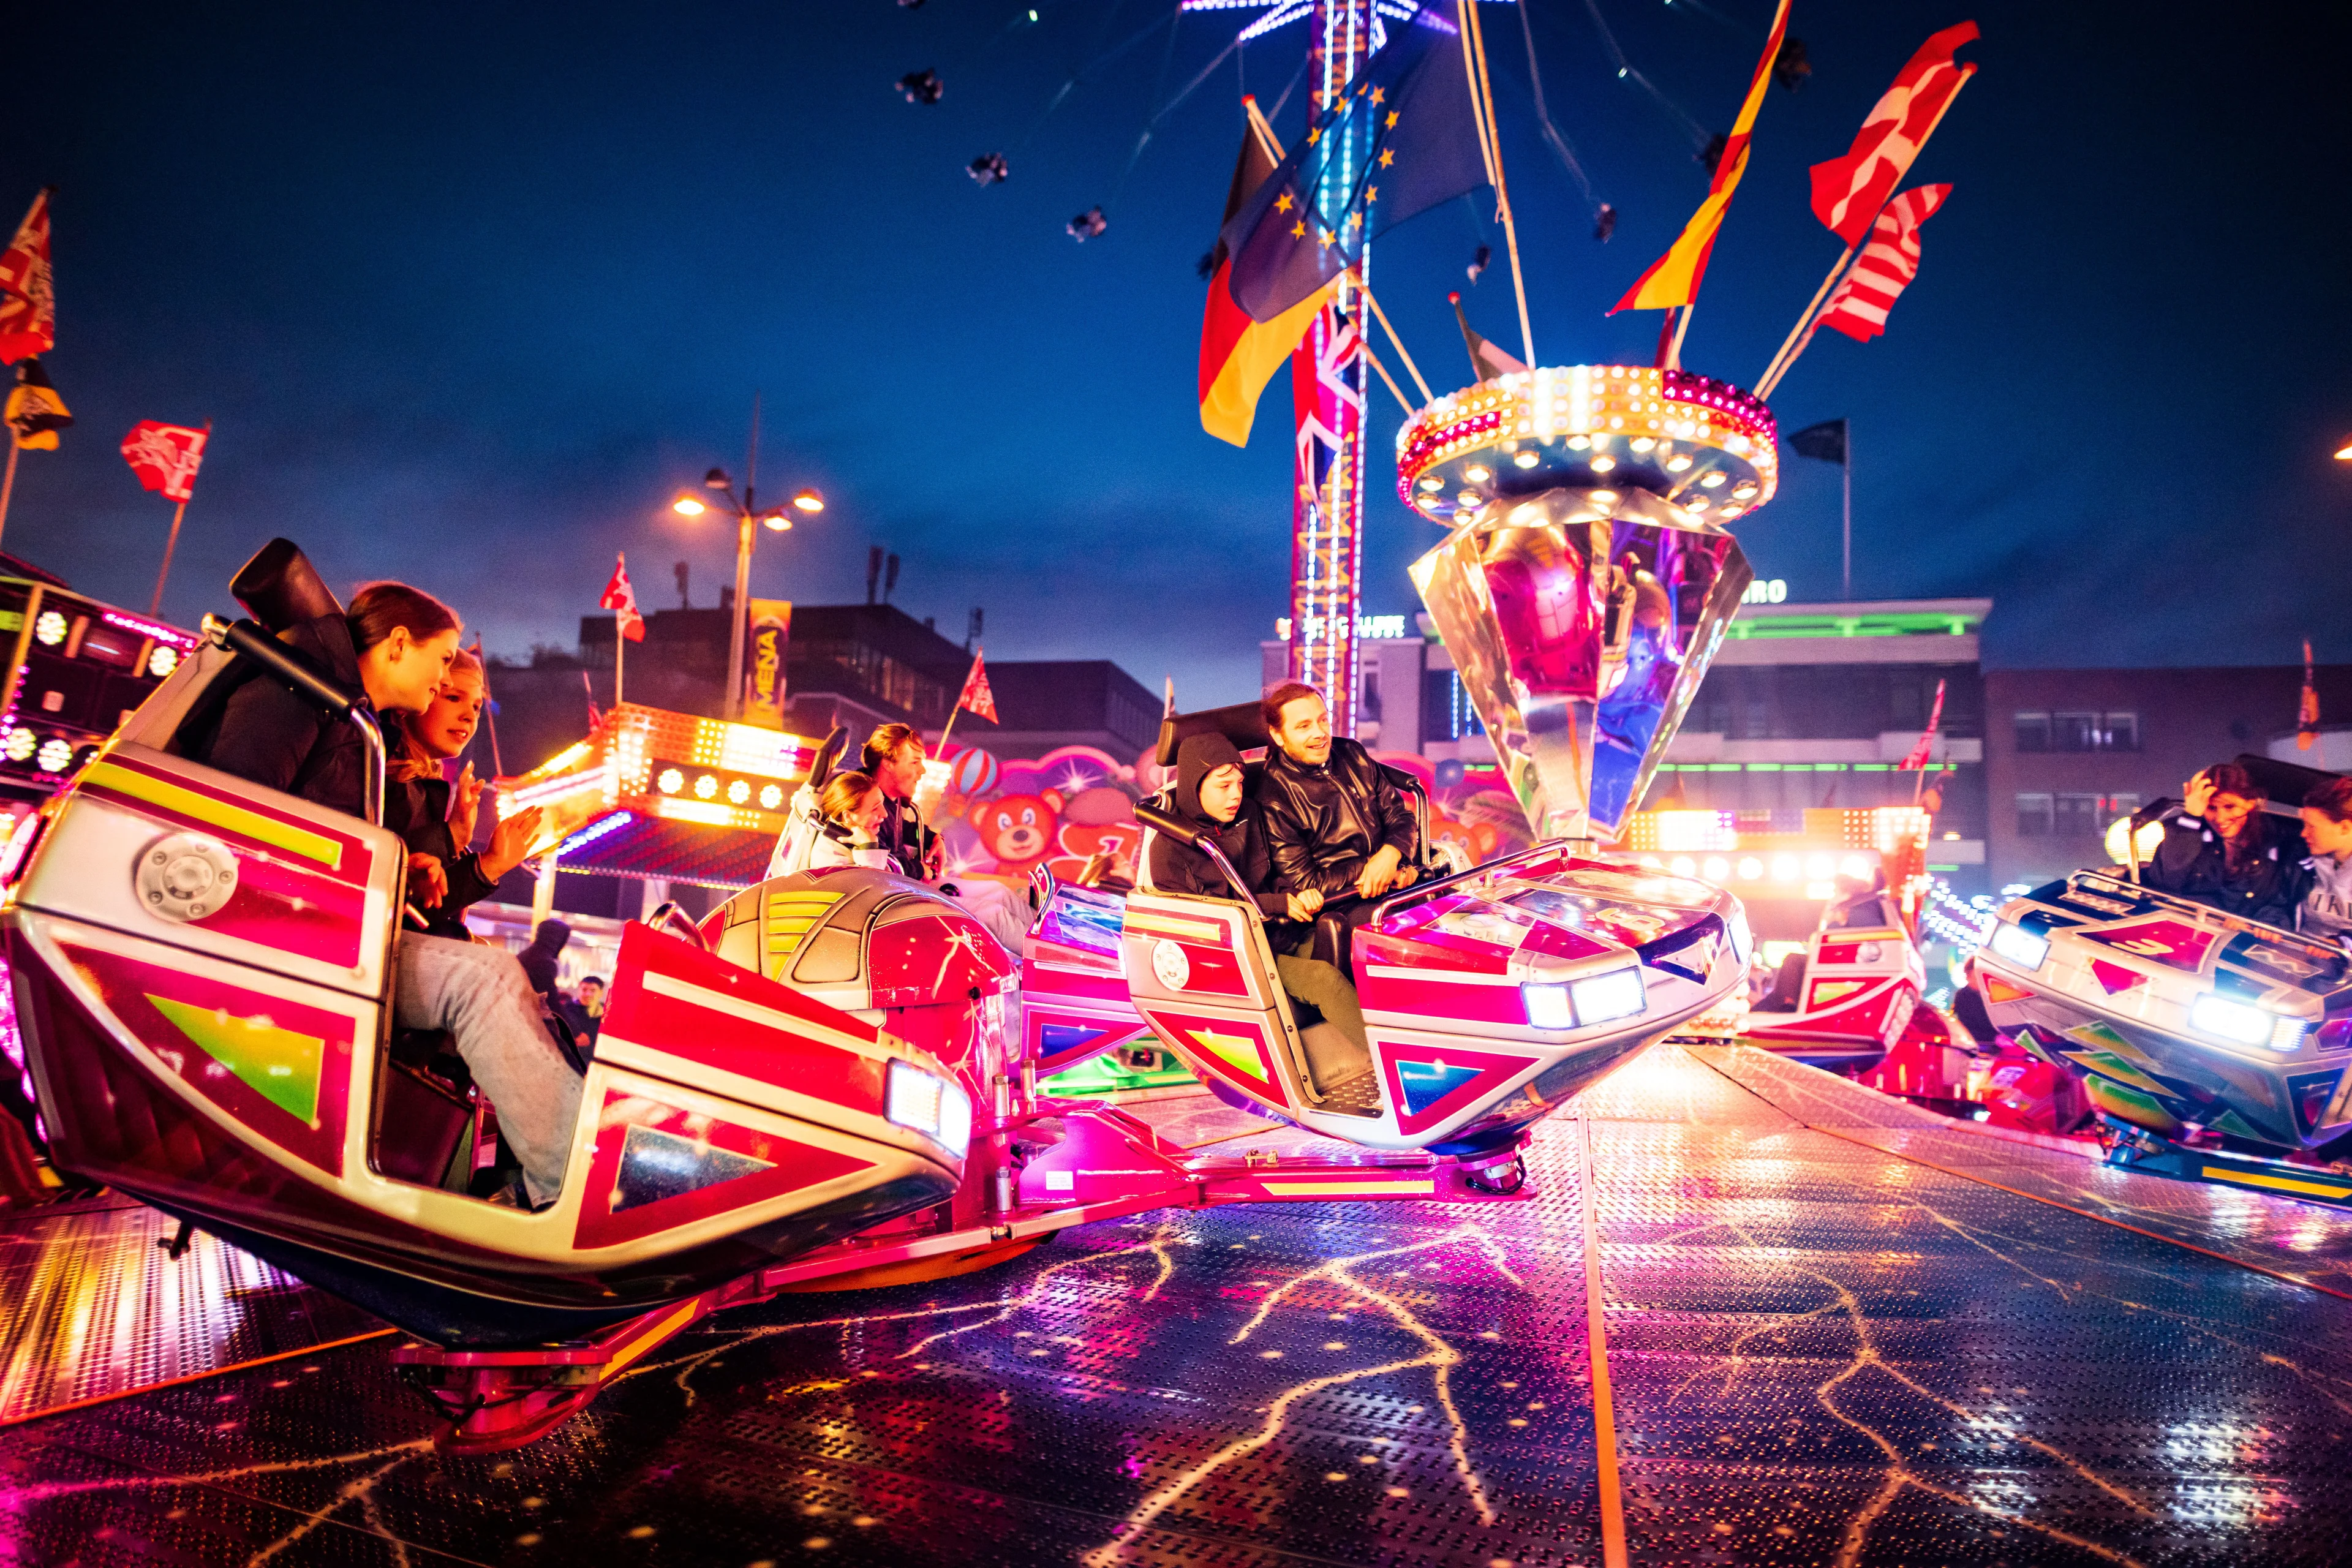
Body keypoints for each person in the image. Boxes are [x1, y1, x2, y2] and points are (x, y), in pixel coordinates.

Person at [194, 581, 581, 1207]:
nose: (443, 685)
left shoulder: (346, 720)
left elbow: (335, 835)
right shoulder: (307, 697)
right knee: (484, 979)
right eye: (444, 665)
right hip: (293, 936)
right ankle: (567, 1196)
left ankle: (513, 1194)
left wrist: (417, 863)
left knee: (522, 1003)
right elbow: (237, 820)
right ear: (402, 644)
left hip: (335, 931)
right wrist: (456, 864)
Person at [1148, 732, 1368, 1057]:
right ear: (1194, 788)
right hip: (1244, 958)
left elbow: (1271, 874)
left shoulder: (1248, 815)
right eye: (1223, 787)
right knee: (1325, 980)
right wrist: (1278, 903)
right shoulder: (1169, 849)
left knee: (1358, 949)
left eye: (1239, 784)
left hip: (1281, 933)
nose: (1235, 795)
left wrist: (1297, 895)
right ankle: (1403, 1076)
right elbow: (1209, 917)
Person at [384, 649, 544, 940]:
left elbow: (424, 906)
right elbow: (397, 899)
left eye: (477, 707)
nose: (469, 715)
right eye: (454, 698)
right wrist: (453, 837)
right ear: (422, 692)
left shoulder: (421, 783)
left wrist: (488, 861)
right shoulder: (385, 770)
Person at [1255, 682, 1420, 938]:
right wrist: (1378, 868)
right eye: (1304, 726)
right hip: (1343, 905)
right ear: (1278, 736)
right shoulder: (1274, 796)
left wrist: (1394, 856)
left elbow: (1400, 817)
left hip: (1391, 882)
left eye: (1323, 721)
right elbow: (1306, 883)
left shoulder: (1352, 753)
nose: (1320, 733)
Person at [861, 723, 1031, 951]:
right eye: (915, 762)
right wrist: (922, 870)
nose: (922, 771)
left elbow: (902, 829)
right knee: (994, 914)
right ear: (888, 763)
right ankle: (1048, 964)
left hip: (908, 886)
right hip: (893, 898)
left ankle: (1054, 946)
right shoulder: (863, 799)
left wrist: (934, 838)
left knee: (998, 891)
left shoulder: (890, 799)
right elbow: (879, 865)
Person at [2146, 763, 2302, 928]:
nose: (2220, 819)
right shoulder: (2185, 832)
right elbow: (2165, 883)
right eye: (2211, 808)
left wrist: (2253, 927)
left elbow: (2281, 908)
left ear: (2250, 803)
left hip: (2238, 942)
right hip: (2183, 927)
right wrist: (2190, 818)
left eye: (2229, 807)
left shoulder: (2280, 844)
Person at [2293, 775, 2352, 949]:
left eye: (2312, 827)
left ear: (2344, 828)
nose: (2303, 834)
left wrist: (2341, 943)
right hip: (2296, 953)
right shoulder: (2298, 858)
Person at [808, 771, 897, 870]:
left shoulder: (852, 842)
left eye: (882, 804)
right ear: (848, 817)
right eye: (875, 808)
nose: (885, 814)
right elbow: (875, 884)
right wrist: (869, 847)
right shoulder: (831, 861)